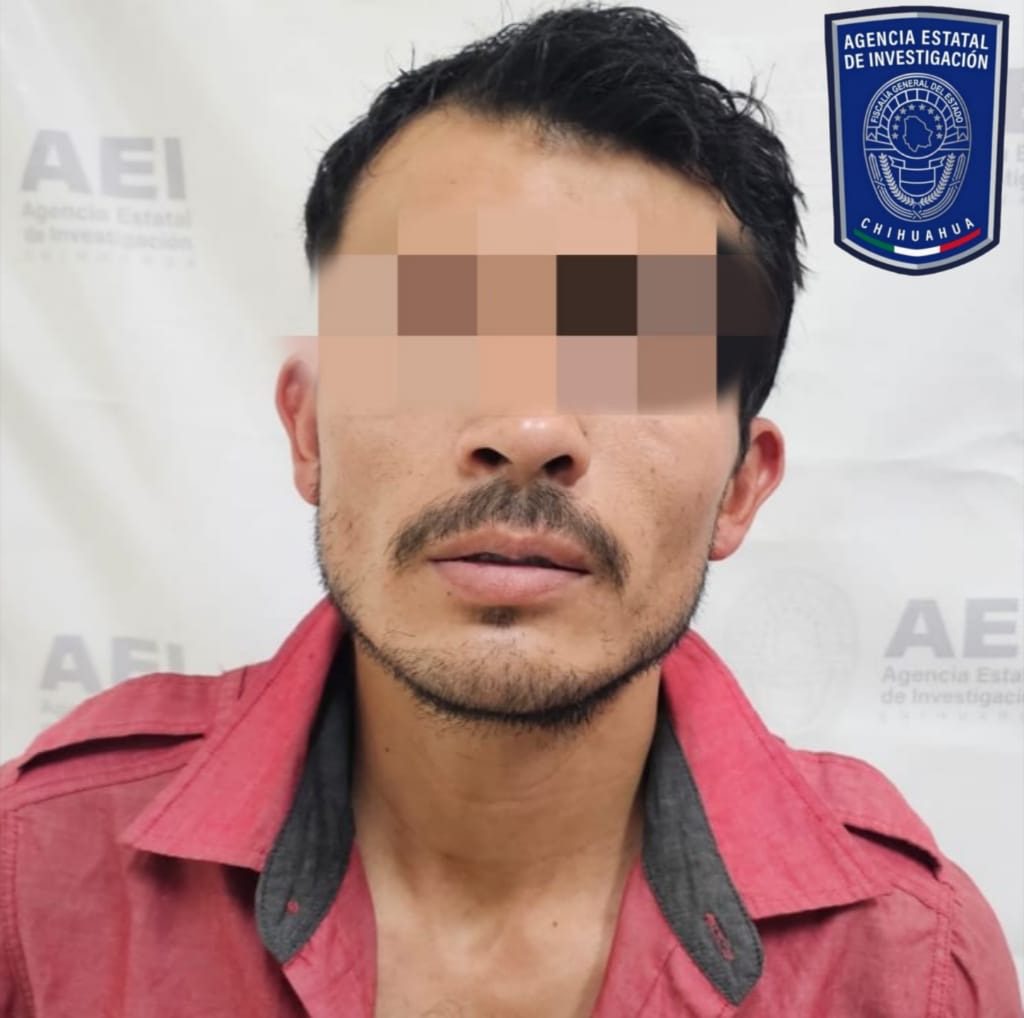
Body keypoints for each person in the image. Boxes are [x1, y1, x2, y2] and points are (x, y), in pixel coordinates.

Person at [1, 6, 1020, 1017]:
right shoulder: (32, 879)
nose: (530, 429)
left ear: (740, 487)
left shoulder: (908, 966)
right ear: (309, 432)